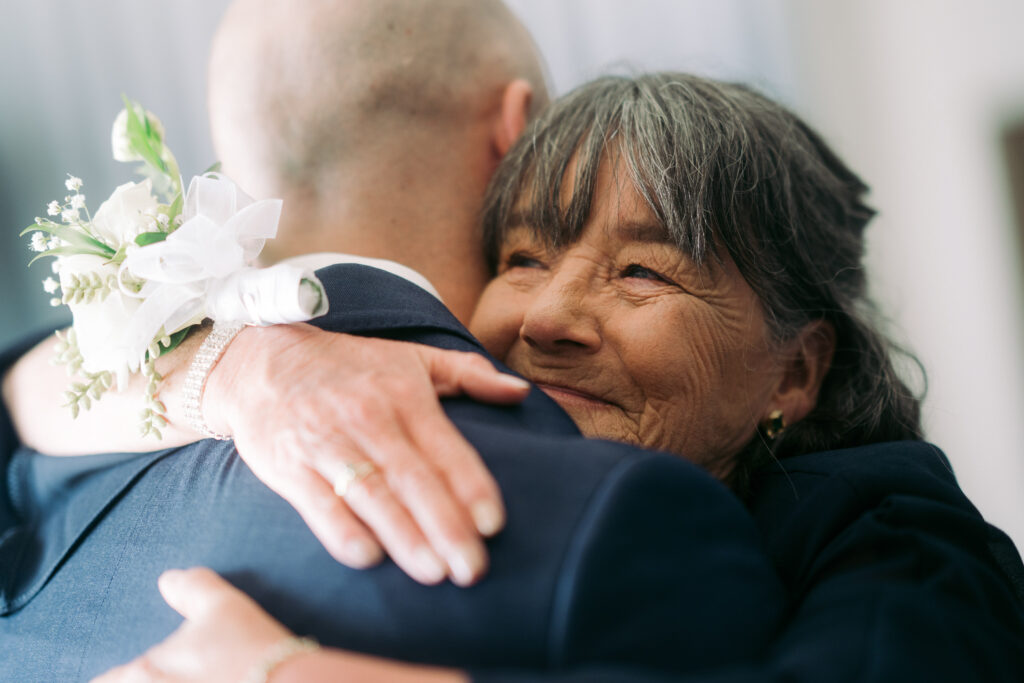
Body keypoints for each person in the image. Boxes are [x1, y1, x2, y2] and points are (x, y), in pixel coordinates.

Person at [8, 73, 1024, 681]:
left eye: (641, 270)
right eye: (524, 258)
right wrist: (241, 369)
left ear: (794, 374)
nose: (544, 316)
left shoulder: (910, 543)